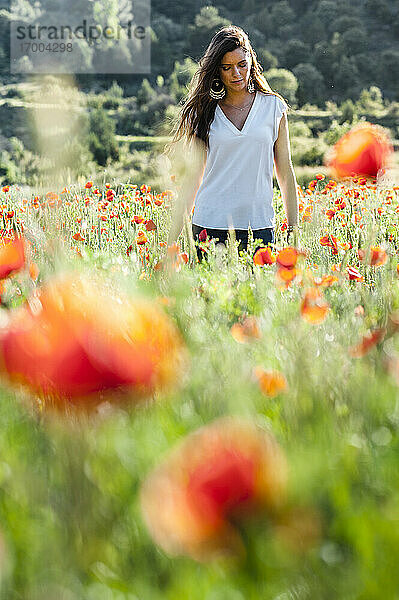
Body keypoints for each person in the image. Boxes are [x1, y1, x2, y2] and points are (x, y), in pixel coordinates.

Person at [166, 25, 299, 261]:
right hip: (209, 225)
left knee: (257, 297)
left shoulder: (273, 108)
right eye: (227, 68)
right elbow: (193, 179)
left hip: (259, 226)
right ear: (217, 70)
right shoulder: (203, 112)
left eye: (242, 65)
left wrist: (293, 229)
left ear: (251, 62)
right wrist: (172, 242)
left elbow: (286, 173)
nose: (236, 74)